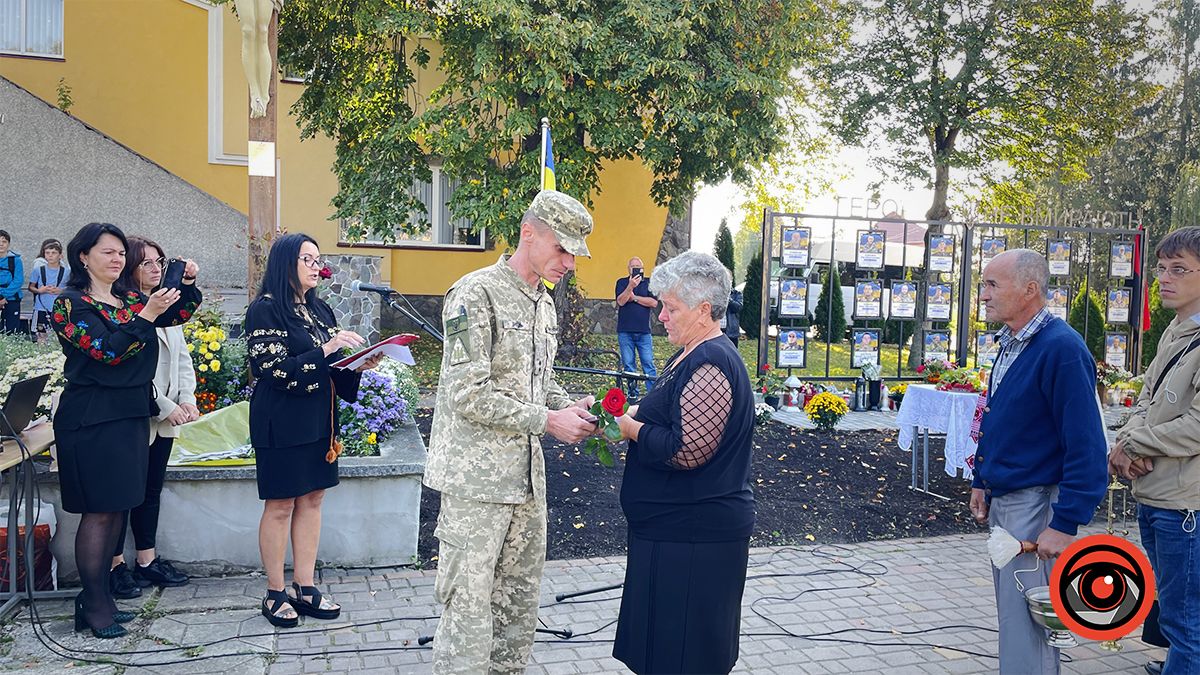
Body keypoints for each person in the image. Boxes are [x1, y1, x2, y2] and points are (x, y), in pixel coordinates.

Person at [424, 190, 599, 674]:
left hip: (524, 484)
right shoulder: (473, 295)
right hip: (476, 487)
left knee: (516, 611)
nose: (569, 263)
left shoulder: (544, 303)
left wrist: (568, 406)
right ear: (528, 234)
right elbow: (468, 393)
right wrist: (548, 422)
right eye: (562, 249)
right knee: (468, 610)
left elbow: (537, 382)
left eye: (574, 254)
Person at [50, 222, 201, 638]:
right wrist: (146, 315)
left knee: (118, 507)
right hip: (93, 417)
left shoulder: (128, 298)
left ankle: (101, 599)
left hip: (131, 412)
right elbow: (107, 351)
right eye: (108, 252)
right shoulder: (70, 304)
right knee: (99, 511)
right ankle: (94, 602)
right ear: (83, 256)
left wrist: (185, 284)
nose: (118, 260)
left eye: (121, 253)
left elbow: (176, 314)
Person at [613, 251, 755, 675]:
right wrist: (625, 413)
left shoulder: (712, 361)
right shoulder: (692, 351)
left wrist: (630, 429)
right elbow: (674, 412)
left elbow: (687, 449)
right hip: (673, 534)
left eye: (671, 308)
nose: (661, 317)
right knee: (664, 656)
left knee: (685, 658)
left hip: (694, 540)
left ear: (704, 310)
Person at [970, 249, 1108, 674]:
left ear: (1030, 289)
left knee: (1028, 625)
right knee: (1016, 622)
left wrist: (1065, 522)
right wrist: (981, 479)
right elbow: (1003, 420)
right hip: (1010, 500)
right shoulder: (1013, 342)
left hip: (1035, 506)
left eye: (992, 284)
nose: (983, 295)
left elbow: (1086, 444)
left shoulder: (1061, 349)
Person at [245, 233, 382, 628]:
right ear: (285, 262)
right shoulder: (265, 310)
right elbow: (272, 370)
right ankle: (275, 592)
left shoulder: (320, 309)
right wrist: (328, 349)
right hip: (281, 418)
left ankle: (304, 586)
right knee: (281, 504)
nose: (315, 266)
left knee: (313, 499)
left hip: (318, 417)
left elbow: (331, 369)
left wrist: (358, 365)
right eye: (307, 259)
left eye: (317, 259)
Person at [1110, 227, 1200, 675]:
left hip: (1186, 506)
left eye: (1179, 269)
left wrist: (1132, 443)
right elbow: (1146, 398)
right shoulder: (1175, 331)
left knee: (1186, 625)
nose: (1164, 278)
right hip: (1157, 496)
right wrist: (1128, 439)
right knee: (1174, 615)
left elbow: (1197, 427)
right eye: (1162, 268)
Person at [105, 237, 197, 600]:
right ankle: (114, 566)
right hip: (135, 416)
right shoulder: (125, 311)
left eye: (160, 261)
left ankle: (147, 559)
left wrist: (187, 399)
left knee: (150, 492)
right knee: (121, 495)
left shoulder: (166, 308)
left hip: (164, 420)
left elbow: (183, 358)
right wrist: (165, 406)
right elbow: (130, 371)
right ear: (130, 268)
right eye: (147, 263)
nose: (156, 269)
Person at [616, 256, 658, 401]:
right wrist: (630, 287)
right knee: (629, 365)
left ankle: (652, 395)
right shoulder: (621, 282)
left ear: (642, 269)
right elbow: (621, 301)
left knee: (648, 363)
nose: (636, 269)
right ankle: (632, 393)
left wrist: (634, 298)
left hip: (644, 331)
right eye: (633, 267)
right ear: (628, 269)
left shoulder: (648, 283)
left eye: (638, 267)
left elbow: (653, 303)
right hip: (625, 331)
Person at [27, 238, 69, 344]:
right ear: (44, 255)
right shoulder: (38, 270)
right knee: (41, 335)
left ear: (60, 255)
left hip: (60, 307)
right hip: (41, 307)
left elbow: (73, 289)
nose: (50, 255)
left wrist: (61, 291)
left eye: (54, 253)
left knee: (61, 335)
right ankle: (42, 354)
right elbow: (31, 287)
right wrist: (39, 290)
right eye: (47, 253)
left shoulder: (67, 271)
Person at [0, 229, 23, 334]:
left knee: (12, 331)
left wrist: (3, 296)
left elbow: (18, 281)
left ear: (8, 244)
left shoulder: (16, 260)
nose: (1, 244)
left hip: (12, 299)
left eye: (4, 241)